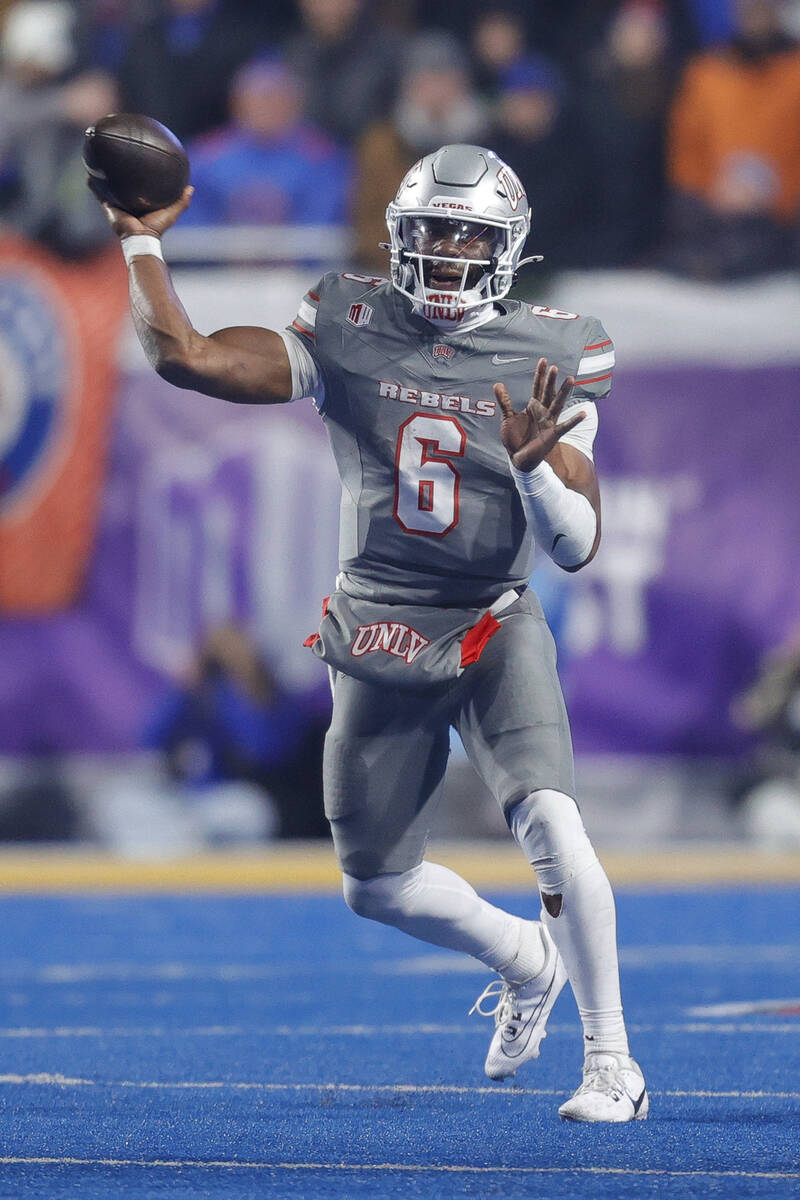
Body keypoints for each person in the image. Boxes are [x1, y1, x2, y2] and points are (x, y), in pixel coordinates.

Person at [93, 143, 647, 1122]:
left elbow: (578, 546)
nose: (441, 251)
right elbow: (186, 356)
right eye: (429, 229)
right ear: (398, 234)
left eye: (464, 235)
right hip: (378, 624)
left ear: (505, 248)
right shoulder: (350, 321)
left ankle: (611, 1064)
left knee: (552, 822)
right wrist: (141, 247)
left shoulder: (552, 348)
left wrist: (530, 470)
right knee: (375, 885)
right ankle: (523, 958)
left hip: (488, 619)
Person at [182, 58, 352, 229]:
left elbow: (329, 217)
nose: (268, 108)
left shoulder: (323, 158)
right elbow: (187, 217)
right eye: (261, 98)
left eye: (277, 99)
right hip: (216, 254)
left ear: (296, 103)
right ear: (237, 103)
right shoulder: (204, 155)